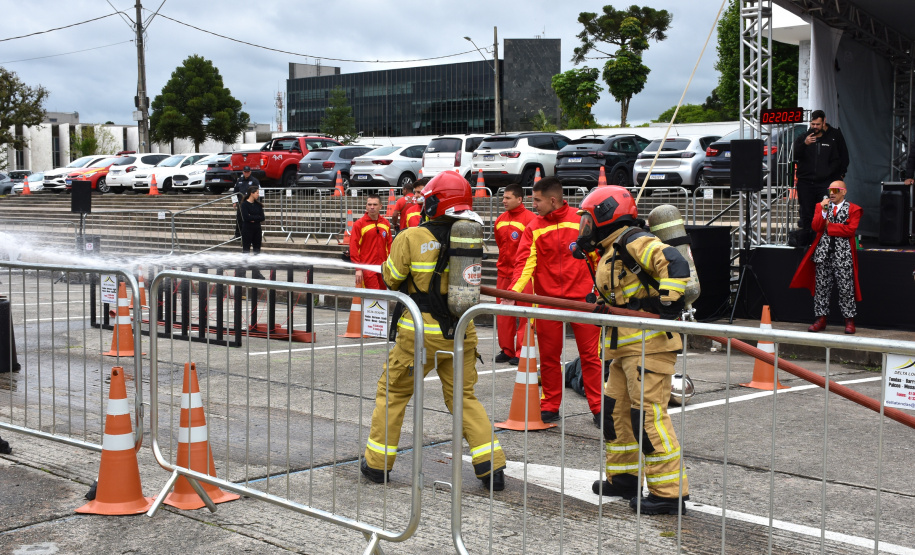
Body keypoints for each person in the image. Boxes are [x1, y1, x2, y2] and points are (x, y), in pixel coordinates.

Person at [361, 171, 506, 491]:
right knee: (463, 398)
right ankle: (491, 468)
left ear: (436, 202)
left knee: (394, 393)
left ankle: (376, 465)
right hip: (461, 332)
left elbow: (391, 278)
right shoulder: (470, 237)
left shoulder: (411, 237)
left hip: (419, 334)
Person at [576, 185, 691, 515]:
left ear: (605, 215)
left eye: (588, 219)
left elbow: (671, 260)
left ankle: (669, 493)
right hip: (623, 348)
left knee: (648, 419)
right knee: (616, 416)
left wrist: (668, 299)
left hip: (649, 346)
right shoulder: (611, 250)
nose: (585, 227)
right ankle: (624, 478)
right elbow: (623, 293)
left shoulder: (631, 240)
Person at [508, 177, 603, 425]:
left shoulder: (582, 220)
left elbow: (597, 258)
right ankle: (550, 405)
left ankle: (599, 408)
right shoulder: (533, 227)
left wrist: (602, 292)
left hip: (584, 300)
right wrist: (511, 296)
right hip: (547, 301)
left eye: (537, 200)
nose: (534, 205)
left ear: (552, 199)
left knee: (590, 358)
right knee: (549, 359)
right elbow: (524, 266)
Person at [789, 180, 862, 334]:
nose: (832, 193)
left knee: (845, 288)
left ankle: (849, 320)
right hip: (823, 253)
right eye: (830, 190)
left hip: (843, 254)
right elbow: (816, 227)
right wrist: (823, 212)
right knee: (821, 287)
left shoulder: (854, 209)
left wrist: (830, 226)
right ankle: (820, 319)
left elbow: (850, 230)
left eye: (836, 190)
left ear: (844, 192)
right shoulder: (820, 206)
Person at [493, 184, 535, 365]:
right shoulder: (500, 220)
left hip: (524, 274)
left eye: (508, 198)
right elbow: (500, 243)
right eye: (503, 198)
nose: (504, 201)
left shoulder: (531, 219)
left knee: (525, 314)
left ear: (519, 199)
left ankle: (521, 352)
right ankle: (507, 350)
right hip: (503, 273)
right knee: (503, 315)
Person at [793, 110, 849, 243]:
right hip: (806, 182)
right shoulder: (803, 138)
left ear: (823, 122)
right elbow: (795, 155)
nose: (815, 127)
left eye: (818, 124)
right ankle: (807, 238)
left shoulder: (832, 138)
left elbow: (839, 158)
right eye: (813, 124)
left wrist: (834, 174)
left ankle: (824, 238)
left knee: (825, 209)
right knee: (806, 211)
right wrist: (805, 144)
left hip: (824, 183)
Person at [351, 193, 393, 290]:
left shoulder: (385, 223)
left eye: (375, 204)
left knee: (383, 297)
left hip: (383, 268)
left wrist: (390, 266)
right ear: (366, 206)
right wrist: (358, 269)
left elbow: (390, 245)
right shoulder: (359, 224)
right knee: (373, 298)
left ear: (380, 206)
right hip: (368, 268)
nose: (372, 207)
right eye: (369, 204)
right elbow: (354, 247)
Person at [234, 166, 260, 238]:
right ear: (243, 172)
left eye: (248, 172)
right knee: (239, 219)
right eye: (245, 172)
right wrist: (234, 202)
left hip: (251, 203)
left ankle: (251, 235)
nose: (246, 173)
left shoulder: (254, 181)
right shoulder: (239, 180)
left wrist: (258, 203)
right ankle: (237, 235)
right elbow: (235, 192)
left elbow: (259, 192)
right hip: (241, 203)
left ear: (250, 172)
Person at [240, 184, 265, 255]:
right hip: (247, 229)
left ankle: (256, 262)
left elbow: (262, 217)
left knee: (257, 249)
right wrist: (256, 217)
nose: (258, 195)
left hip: (257, 228)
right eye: (257, 193)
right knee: (246, 249)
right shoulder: (244, 204)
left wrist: (253, 217)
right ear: (252, 193)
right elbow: (246, 217)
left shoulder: (258, 205)